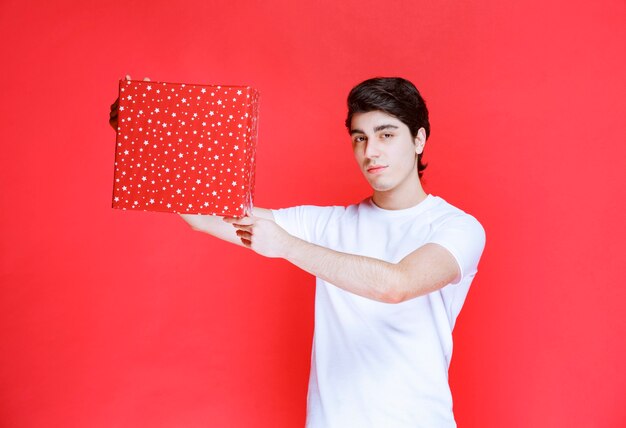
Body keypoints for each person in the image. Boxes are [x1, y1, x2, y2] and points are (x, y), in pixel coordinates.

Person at [110, 75, 486, 427]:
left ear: (419, 140)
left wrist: (286, 245)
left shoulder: (457, 227)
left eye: (386, 134)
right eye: (359, 138)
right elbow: (207, 217)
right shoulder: (327, 224)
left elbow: (396, 285)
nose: (371, 151)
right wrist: (144, 135)